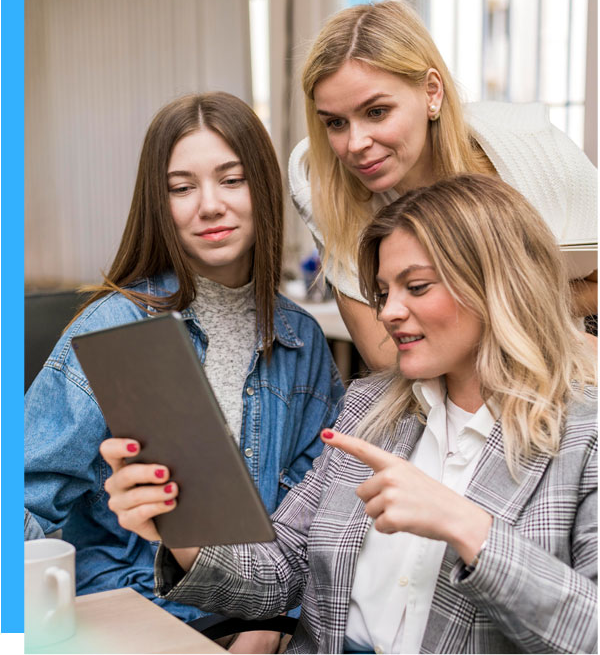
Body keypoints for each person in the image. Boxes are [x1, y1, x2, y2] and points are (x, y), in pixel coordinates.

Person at [102, 174, 596, 654]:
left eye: (417, 287)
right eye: (384, 293)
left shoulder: (584, 437)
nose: (388, 312)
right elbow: (279, 570)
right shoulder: (370, 409)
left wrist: (468, 527)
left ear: (500, 287)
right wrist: (179, 528)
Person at [25, 92, 345, 649]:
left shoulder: (303, 342)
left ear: (262, 188)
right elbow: (21, 494)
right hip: (133, 614)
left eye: (232, 179)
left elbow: (314, 522)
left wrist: (268, 624)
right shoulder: (112, 327)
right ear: (160, 203)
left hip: (259, 616)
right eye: (181, 187)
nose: (210, 205)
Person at [289, 0, 598, 370]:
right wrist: (523, 310)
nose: (355, 144)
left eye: (377, 112)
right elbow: (386, 356)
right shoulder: (324, 184)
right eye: (335, 123)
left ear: (432, 92)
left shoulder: (531, 151)